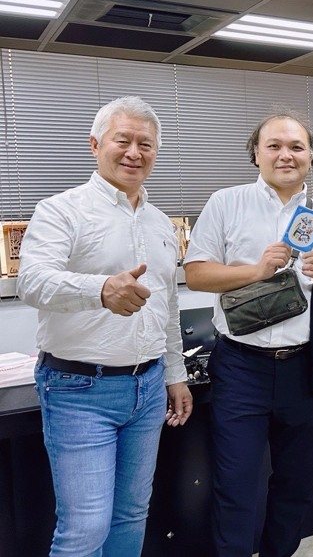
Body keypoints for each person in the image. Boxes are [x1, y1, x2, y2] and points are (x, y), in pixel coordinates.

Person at [17, 96, 193, 556]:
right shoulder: (61, 210)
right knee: (85, 528)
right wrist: (99, 290)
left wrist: (175, 373)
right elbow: (31, 281)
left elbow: (167, 305)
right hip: (79, 389)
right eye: (123, 140)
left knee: (132, 514)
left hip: (148, 387)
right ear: (95, 145)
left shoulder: (160, 222)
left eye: (145, 144)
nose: (134, 152)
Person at [184, 112, 313, 556]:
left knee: (297, 484)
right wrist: (256, 271)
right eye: (274, 146)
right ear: (256, 154)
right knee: (236, 483)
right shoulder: (226, 203)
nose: (286, 155)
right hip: (241, 368)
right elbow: (197, 274)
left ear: (311, 157)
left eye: (297, 147)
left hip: (307, 368)